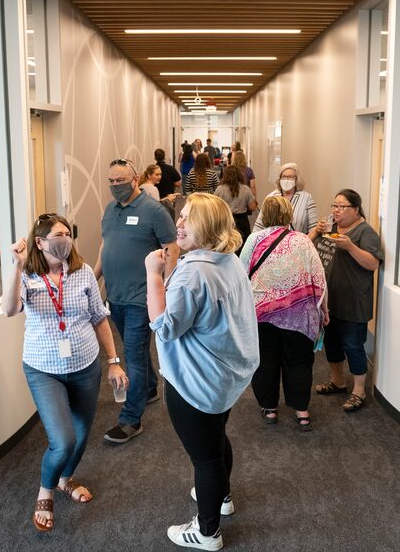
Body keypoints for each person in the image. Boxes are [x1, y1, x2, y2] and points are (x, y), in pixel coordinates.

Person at [145, 193, 259, 551]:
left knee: (205, 458)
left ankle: (207, 532)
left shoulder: (193, 273)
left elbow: (163, 326)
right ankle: (221, 497)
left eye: (187, 218)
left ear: (206, 226)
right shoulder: (228, 260)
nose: (178, 223)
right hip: (225, 376)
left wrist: (154, 274)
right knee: (215, 439)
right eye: (180, 216)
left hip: (198, 381)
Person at [2, 213, 128, 533]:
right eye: (57, 235)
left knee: (82, 434)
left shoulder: (83, 272)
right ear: (40, 242)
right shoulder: (29, 275)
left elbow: (99, 317)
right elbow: (10, 309)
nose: (65, 240)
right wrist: (17, 266)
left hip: (85, 365)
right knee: (63, 439)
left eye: (67, 234)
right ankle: (46, 490)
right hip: (44, 369)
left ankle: (64, 480)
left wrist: (113, 361)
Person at [95, 158, 179, 444]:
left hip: (140, 298)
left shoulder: (154, 211)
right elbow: (105, 245)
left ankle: (131, 419)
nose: (115, 186)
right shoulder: (109, 210)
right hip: (115, 295)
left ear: (134, 180)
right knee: (137, 348)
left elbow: (171, 247)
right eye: (111, 181)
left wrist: (168, 285)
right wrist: (94, 277)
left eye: (120, 180)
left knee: (132, 353)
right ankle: (151, 388)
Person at [240, 196, 328, 430]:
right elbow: (319, 279)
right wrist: (324, 310)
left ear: (264, 216)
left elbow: (240, 276)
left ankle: (269, 408)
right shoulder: (303, 241)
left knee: (265, 361)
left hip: (261, 314)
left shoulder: (253, 240)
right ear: (289, 215)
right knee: (299, 361)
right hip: (299, 315)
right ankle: (301, 410)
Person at [308, 189, 383, 412]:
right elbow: (307, 248)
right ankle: (338, 381)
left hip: (353, 301)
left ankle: (359, 390)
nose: (336, 211)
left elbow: (373, 264)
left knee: (353, 345)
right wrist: (316, 231)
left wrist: (350, 247)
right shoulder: (330, 228)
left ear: (356, 209)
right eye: (334, 205)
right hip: (330, 301)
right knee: (332, 344)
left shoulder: (365, 232)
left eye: (342, 206)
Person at [253, 162, 317, 235]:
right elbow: (259, 225)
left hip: (298, 243)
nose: (286, 180)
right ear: (279, 179)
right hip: (274, 243)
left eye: (290, 177)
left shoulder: (306, 198)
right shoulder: (271, 197)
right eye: (283, 177)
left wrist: (305, 242)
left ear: (296, 179)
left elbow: (313, 227)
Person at [214, 164, 256, 248]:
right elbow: (252, 207)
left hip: (225, 221)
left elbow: (214, 207)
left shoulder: (220, 189)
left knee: (226, 245)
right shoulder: (245, 189)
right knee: (242, 246)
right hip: (242, 221)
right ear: (240, 175)